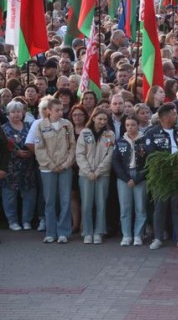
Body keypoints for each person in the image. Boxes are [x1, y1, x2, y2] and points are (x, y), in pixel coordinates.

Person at [144, 103, 178, 250]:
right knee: (160, 207)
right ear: (164, 117)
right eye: (173, 114)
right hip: (161, 176)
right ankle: (158, 238)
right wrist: (169, 164)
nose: (176, 116)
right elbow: (151, 155)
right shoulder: (151, 133)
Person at [34, 98, 76, 243]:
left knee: (65, 200)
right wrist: (51, 165)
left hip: (65, 167)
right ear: (49, 111)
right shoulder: (41, 125)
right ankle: (50, 232)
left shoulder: (67, 125)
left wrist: (66, 164)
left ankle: (64, 232)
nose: (60, 112)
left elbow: (72, 147)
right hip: (47, 169)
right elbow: (39, 148)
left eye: (62, 109)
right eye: (57, 110)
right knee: (49, 200)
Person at [76, 107, 115, 244]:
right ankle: (87, 231)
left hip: (102, 174)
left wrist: (98, 171)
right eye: (100, 119)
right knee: (86, 204)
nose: (102, 121)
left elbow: (109, 155)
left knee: (101, 203)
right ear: (93, 118)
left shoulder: (110, 134)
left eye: (105, 119)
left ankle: (99, 231)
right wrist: (88, 171)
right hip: (85, 175)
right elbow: (79, 154)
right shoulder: (85, 133)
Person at [1, 101, 37, 231]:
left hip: (28, 167)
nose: (16, 114)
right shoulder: (4, 129)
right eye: (13, 112)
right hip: (11, 168)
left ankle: (27, 220)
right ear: (8, 114)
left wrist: (31, 151)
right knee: (9, 196)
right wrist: (16, 152)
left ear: (23, 113)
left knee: (29, 195)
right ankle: (12, 221)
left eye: (18, 111)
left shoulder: (30, 126)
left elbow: (36, 142)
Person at [112, 116, 147, 246]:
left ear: (138, 125)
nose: (130, 127)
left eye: (133, 125)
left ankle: (138, 235)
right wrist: (126, 178)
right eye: (127, 125)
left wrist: (137, 179)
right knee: (125, 208)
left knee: (140, 207)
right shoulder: (120, 141)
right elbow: (115, 161)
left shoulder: (144, 140)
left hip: (139, 176)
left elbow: (148, 162)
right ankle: (126, 235)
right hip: (124, 177)